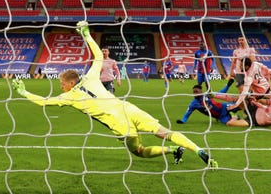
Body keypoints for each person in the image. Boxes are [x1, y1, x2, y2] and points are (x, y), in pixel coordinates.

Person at [12, 21, 218, 168]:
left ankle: (172, 151)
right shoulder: (91, 75)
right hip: (127, 107)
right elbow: (99, 55)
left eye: (62, 83)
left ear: (71, 82)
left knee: (139, 151)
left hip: (119, 123)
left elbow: (44, 102)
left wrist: (23, 92)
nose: (61, 87)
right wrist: (86, 35)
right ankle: (197, 149)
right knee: (163, 131)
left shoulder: (70, 96)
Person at [176, 84, 249, 127]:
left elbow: (219, 93)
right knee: (229, 124)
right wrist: (182, 121)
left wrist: (228, 85)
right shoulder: (193, 104)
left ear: (201, 91)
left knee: (241, 104)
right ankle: (240, 119)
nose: (195, 93)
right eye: (194, 92)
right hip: (220, 116)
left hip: (224, 107)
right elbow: (187, 114)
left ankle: (252, 115)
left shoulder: (207, 95)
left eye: (196, 91)